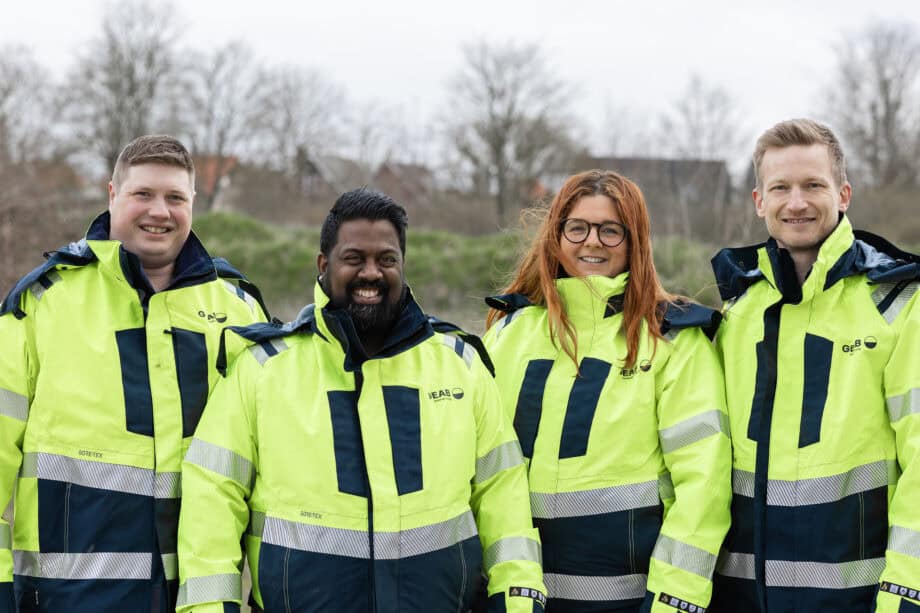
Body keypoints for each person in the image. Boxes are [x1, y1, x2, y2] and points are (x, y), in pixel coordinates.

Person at [176, 188, 545, 613]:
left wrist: (517, 598)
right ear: (323, 265)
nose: (371, 272)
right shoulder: (261, 370)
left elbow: (504, 493)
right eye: (354, 258)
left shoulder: (461, 366)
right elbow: (212, 500)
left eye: (386, 260)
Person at [0, 135, 268, 612]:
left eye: (175, 198)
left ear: (193, 205)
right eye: (142, 194)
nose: (159, 211)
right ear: (112, 195)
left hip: (194, 601)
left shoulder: (240, 311)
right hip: (67, 600)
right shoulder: (43, 303)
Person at [483, 170, 731, 612]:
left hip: (628, 602)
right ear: (556, 235)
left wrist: (675, 602)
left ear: (635, 241)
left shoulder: (673, 340)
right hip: (515, 599)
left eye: (610, 230)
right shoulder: (508, 332)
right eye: (577, 227)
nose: (592, 242)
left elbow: (703, 488)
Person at [709, 119, 920, 612]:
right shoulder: (736, 312)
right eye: (780, 187)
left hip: (860, 599)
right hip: (741, 598)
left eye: (813, 185)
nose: (797, 202)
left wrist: (906, 591)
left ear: (843, 194)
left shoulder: (899, 305)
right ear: (760, 202)